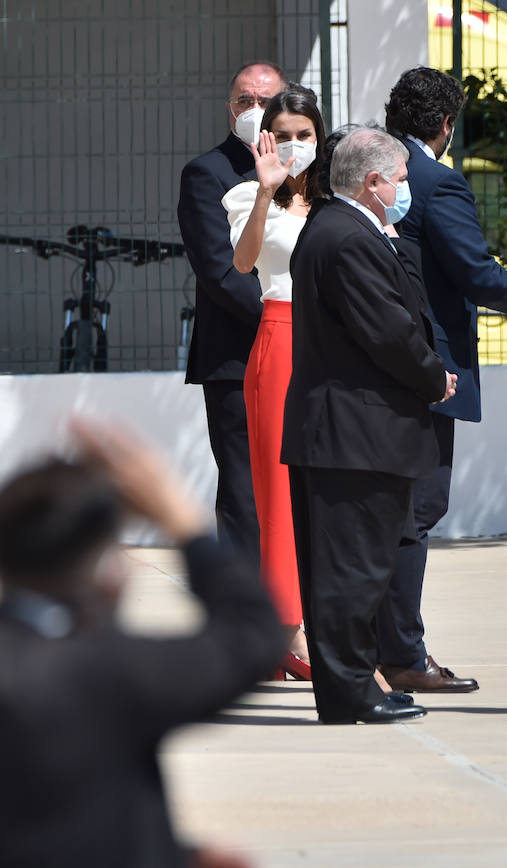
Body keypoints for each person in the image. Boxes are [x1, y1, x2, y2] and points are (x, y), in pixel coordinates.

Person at [0, 418, 284, 868]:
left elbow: (7, 817)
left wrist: (166, 861)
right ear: (106, 574)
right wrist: (181, 518)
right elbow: (252, 637)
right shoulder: (106, 672)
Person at [374, 67, 507, 695]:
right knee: (417, 511)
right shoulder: (435, 182)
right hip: (428, 369)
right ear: (446, 124)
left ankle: (375, 645)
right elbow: (474, 272)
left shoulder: (362, 168)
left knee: (386, 510)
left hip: (371, 363)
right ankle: (402, 655)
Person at [282, 127, 456, 725]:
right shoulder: (347, 237)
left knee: (352, 568)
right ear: (374, 182)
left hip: (348, 432)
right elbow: (387, 331)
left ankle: (351, 688)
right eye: (401, 179)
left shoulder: (348, 229)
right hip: (353, 434)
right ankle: (350, 690)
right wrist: (435, 377)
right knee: (351, 570)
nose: (406, 189)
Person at [224, 84, 325, 680]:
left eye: (303, 135)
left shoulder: (340, 198)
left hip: (337, 347)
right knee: (279, 493)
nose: (292, 146)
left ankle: (326, 621)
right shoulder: (246, 194)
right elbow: (243, 262)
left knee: (328, 493)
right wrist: (266, 192)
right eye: (281, 135)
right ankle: (287, 630)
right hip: (281, 339)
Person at [178, 61, 285, 562]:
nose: (255, 111)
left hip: (302, 356)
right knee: (244, 492)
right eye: (246, 100)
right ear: (230, 107)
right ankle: (247, 624)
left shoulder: (304, 170)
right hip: (239, 358)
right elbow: (221, 272)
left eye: (266, 101)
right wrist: (283, 321)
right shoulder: (207, 173)